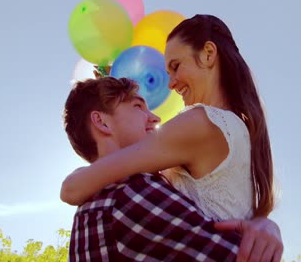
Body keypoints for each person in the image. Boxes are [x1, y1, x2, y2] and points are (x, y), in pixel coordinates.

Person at [62, 13, 275, 222]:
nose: (171, 84)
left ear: (208, 54)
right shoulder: (234, 126)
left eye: (176, 67)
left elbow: (72, 188)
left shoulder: (200, 123)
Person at [63, 77, 282, 261]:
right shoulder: (134, 194)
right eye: (138, 106)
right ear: (101, 122)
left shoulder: (90, 206)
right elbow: (239, 256)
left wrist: (262, 223)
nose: (155, 118)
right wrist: (256, 231)